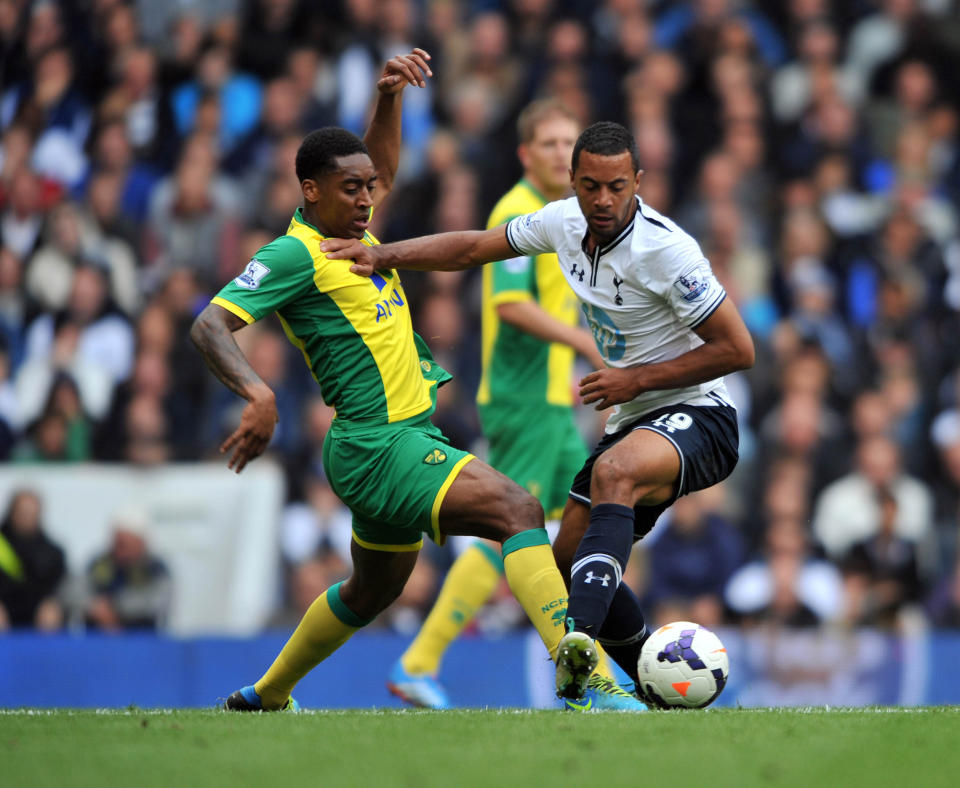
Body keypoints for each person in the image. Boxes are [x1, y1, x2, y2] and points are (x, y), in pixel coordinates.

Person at [191, 49, 574, 712]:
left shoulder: (354, 235)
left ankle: (269, 694)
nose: (368, 197)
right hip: (380, 444)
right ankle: (585, 680)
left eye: (369, 187)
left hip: (388, 442)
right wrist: (258, 393)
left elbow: (382, 165)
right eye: (352, 188)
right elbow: (209, 327)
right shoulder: (294, 254)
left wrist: (390, 97)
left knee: (371, 592)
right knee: (517, 508)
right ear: (311, 190)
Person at [323, 121, 755, 704]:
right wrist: (381, 254)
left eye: (617, 187)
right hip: (631, 418)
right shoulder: (562, 222)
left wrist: (633, 379)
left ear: (638, 183)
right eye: (590, 186)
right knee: (564, 556)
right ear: (573, 182)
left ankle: (577, 642)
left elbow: (737, 349)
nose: (603, 201)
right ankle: (656, 680)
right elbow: (476, 247)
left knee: (612, 474)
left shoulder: (668, 251)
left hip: (701, 412)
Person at [387, 99, 644, 711]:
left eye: (567, 143)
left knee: (577, 525)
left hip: (550, 402)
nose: (560, 153)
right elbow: (507, 305)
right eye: (549, 144)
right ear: (527, 153)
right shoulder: (517, 210)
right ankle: (420, 661)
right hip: (522, 399)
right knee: (515, 526)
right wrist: (587, 342)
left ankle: (602, 661)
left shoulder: (567, 213)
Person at [84, 508, 172, 632]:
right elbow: (77, 591)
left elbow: (158, 601)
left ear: (140, 542)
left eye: (124, 544)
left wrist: (114, 608)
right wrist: (95, 606)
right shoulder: (99, 564)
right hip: (99, 640)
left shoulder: (156, 568)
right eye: (116, 542)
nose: (118, 549)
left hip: (141, 640)